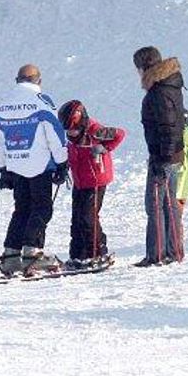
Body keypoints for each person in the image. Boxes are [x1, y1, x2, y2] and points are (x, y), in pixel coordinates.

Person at [0, 64, 68, 277]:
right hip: (39, 164)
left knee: (21, 209)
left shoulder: (2, 106)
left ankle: (11, 254)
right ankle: (33, 252)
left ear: (17, 80)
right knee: (42, 208)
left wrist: (3, 168)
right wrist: (62, 162)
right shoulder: (41, 103)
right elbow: (55, 134)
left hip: (15, 165)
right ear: (38, 81)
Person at [133, 46, 186, 267]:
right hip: (171, 155)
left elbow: (168, 127)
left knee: (155, 204)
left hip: (164, 157)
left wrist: (162, 158)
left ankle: (157, 254)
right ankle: (172, 252)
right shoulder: (168, 86)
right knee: (168, 202)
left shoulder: (159, 93)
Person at [57, 100, 125, 269]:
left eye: (74, 129)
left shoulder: (96, 130)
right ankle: (78, 255)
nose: (72, 133)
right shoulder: (72, 134)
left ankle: (98, 253)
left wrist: (104, 147)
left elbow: (120, 134)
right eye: (68, 131)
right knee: (77, 218)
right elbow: (72, 151)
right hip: (80, 181)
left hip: (96, 180)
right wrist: (63, 166)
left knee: (88, 218)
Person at [177, 108, 188, 237]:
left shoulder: (180, 139)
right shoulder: (187, 135)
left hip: (177, 189)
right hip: (182, 189)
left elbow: (179, 167)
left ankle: (176, 250)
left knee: (173, 221)